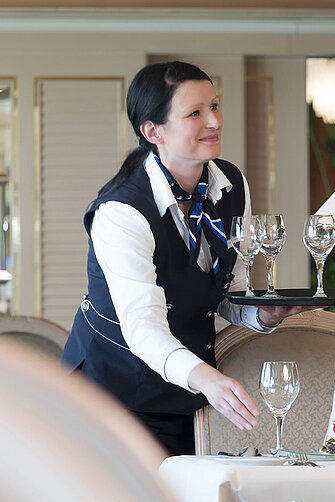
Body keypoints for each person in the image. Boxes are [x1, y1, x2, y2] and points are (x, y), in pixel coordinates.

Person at [62, 61, 303, 455]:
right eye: (194, 113)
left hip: (186, 393)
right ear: (152, 131)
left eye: (215, 105)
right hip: (111, 397)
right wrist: (207, 378)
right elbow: (142, 328)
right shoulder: (122, 212)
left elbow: (227, 288)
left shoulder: (231, 185)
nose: (214, 121)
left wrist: (260, 315)